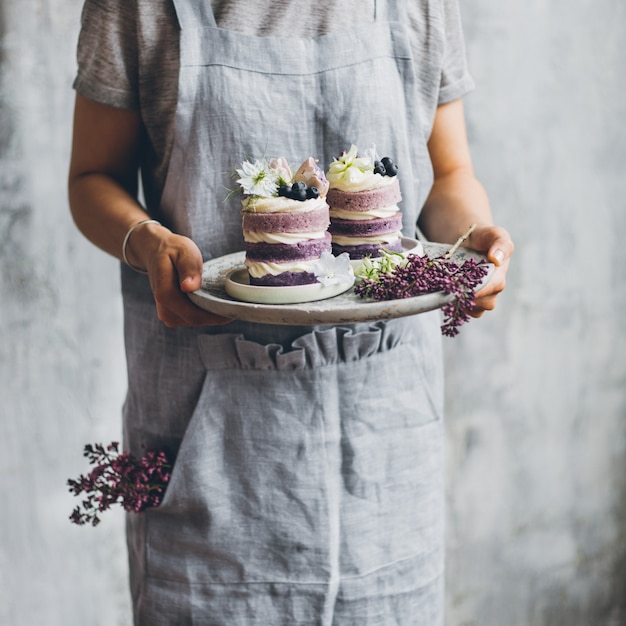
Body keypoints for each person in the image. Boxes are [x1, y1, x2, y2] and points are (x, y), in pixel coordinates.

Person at [68, 1, 514, 624]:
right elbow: (92, 177)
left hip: (385, 437)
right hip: (211, 438)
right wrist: (147, 241)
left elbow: (449, 175)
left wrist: (471, 243)